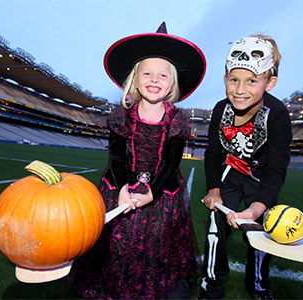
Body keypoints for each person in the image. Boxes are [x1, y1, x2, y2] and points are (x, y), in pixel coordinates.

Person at [67, 22, 206, 299]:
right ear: (135, 78)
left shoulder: (177, 120)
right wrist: (122, 188)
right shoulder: (121, 115)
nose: (155, 80)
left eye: (163, 75)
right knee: (118, 242)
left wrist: (151, 193)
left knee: (155, 245)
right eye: (148, 73)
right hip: (118, 184)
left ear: (172, 84)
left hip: (162, 192)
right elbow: (116, 155)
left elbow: (170, 164)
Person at [198, 34, 292, 300]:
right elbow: (214, 153)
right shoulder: (220, 109)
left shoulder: (277, 115)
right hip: (231, 171)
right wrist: (214, 190)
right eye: (233, 79)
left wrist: (256, 208)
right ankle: (211, 285)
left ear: (270, 82)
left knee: (262, 230)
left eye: (252, 81)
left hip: (261, 179)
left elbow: (276, 169)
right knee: (216, 223)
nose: (240, 89)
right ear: (225, 78)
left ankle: (259, 286)